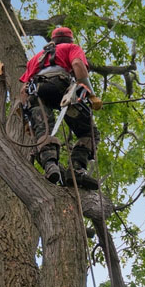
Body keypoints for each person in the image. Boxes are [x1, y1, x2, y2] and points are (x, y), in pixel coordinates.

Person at [19, 27, 102, 188]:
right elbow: (77, 64)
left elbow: (23, 90)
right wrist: (91, 94)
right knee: (89, 132)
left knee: (43, 131)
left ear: (53, 41)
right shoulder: (71, 48)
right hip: (60, 89)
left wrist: (26, 121)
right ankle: (76, 170)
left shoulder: (35, 59)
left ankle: (50, 166)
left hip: (36, 94)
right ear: (69, 40)